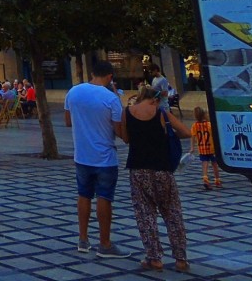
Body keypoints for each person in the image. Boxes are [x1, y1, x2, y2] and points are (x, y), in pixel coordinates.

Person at [122, 85, 191, 272]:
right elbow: (186, 132)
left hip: (138, 169)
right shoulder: (162, 113)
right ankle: (181, 259)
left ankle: (154, 258)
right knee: (173, 213)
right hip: (163, 169)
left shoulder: (127, 112)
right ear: (156, 99)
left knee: (145, 215)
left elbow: (126, 138)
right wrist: (168, 135)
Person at [64, 60, 126, 258]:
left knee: (83, 195)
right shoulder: (111, 98)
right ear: (109, 77)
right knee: (104, 197)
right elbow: (120, 131)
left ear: (92, 73)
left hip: (81, 155)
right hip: (105, 157)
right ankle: (105, 244)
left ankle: (83, 239)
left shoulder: (73, 92)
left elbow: (67, 121)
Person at [190, 106, 220, 190]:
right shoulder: (209, 124)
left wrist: (192, 147)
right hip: (212, 148)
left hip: (202, 148)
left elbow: (192, 137)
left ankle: (205, 179)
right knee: (215, 165)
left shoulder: (194, 126)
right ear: (204, 115)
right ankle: (217, 180)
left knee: (204, 164)